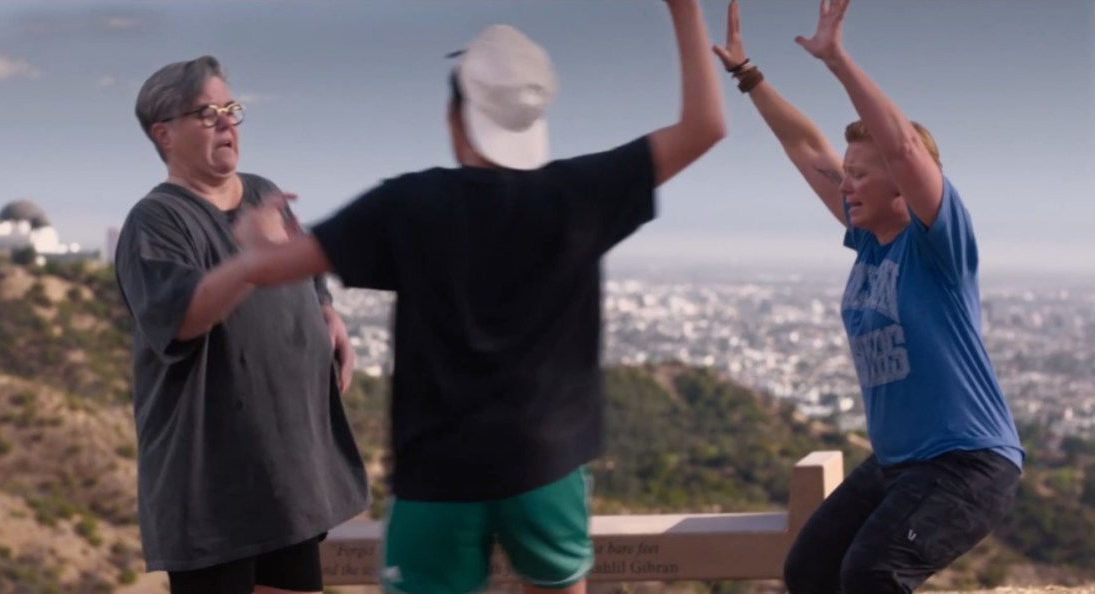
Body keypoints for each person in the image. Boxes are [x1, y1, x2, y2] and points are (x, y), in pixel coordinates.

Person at [225, 2, 726, 592]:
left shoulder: (410, 204)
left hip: (440, 474)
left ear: (455, 117)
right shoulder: (581, 193)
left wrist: (256, 238)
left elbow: (275, 266)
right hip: (548, 465)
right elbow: (706, 127)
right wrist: (686, 10)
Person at [711, 1, 1023, 592]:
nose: (845, 183)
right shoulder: (868, 241)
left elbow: (904, 147)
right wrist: (749, 76)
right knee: (809, 570)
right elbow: (806, 147)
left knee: (873, 574)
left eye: (860, 172)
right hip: (897, 466)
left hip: (967, 462)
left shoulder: (937, 245)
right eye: (847, 172)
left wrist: (838, 61)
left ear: (902, 188)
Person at [114, 55, 370, 594]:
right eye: (207, 113)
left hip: (289, 482)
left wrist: (325, 310)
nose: (227, 122)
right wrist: (253, 260)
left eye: (230, 109)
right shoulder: (156, 221)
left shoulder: (261, 193)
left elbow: (302, 269)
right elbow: (181, 317)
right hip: (213, 499)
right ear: (164, 133)